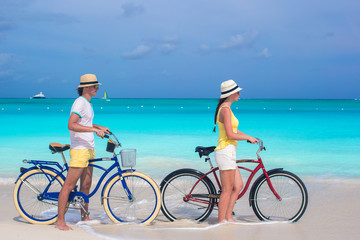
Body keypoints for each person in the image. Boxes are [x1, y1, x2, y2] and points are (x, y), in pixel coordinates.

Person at [55, 74, 110, 230]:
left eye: (97, 86)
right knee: (69, 184)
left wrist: (99, 127)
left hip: (89, 148)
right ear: (86, 87)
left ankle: (85, 216)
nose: (97, 89)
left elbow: (85, 122)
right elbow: (71, 124)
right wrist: (93, 129)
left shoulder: (87, 103)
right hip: (80, 149)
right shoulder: (79, 102)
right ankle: (60, 222)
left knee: (86, 185)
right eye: (95, 86)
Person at [213, 79, 258, 223]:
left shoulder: (227, 108)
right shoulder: (225, 110)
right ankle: (220, 222)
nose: (239, 94)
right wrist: (246, 138)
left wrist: (249, 136)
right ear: (231, 93)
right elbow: (230, 135)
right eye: (237, 91)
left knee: (238, 185)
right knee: (226, 190)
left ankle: (228, 217)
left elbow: (234, 130)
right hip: (225, 151)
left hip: (230, 152)